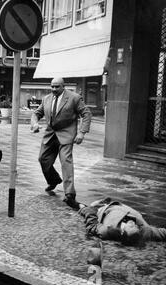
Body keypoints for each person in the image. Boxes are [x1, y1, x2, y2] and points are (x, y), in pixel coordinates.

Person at [30, 77, 92, 210]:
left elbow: (86, 114)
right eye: (52, 86)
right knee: (43, 159)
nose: (54, 89)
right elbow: (37, 113)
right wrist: (34, 123)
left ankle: (70, 194)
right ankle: (53, 180)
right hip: (50, 134)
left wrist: (81, 132)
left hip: (66, 134)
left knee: (66, 162)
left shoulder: (74, 98)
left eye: (57, 87)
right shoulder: (46, 99)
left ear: (63, 86)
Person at [78, 198, 166, 246]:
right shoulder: (144, 231)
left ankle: (97, 204)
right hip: (122, 207)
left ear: (123, 231)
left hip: (106, 209)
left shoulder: (106, 231)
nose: (134, 224)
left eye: (131, 227)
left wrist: (84, 209)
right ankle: (100, 203)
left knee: (91, 206)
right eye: (136, 227)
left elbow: (92, 224)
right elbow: (163, 233)